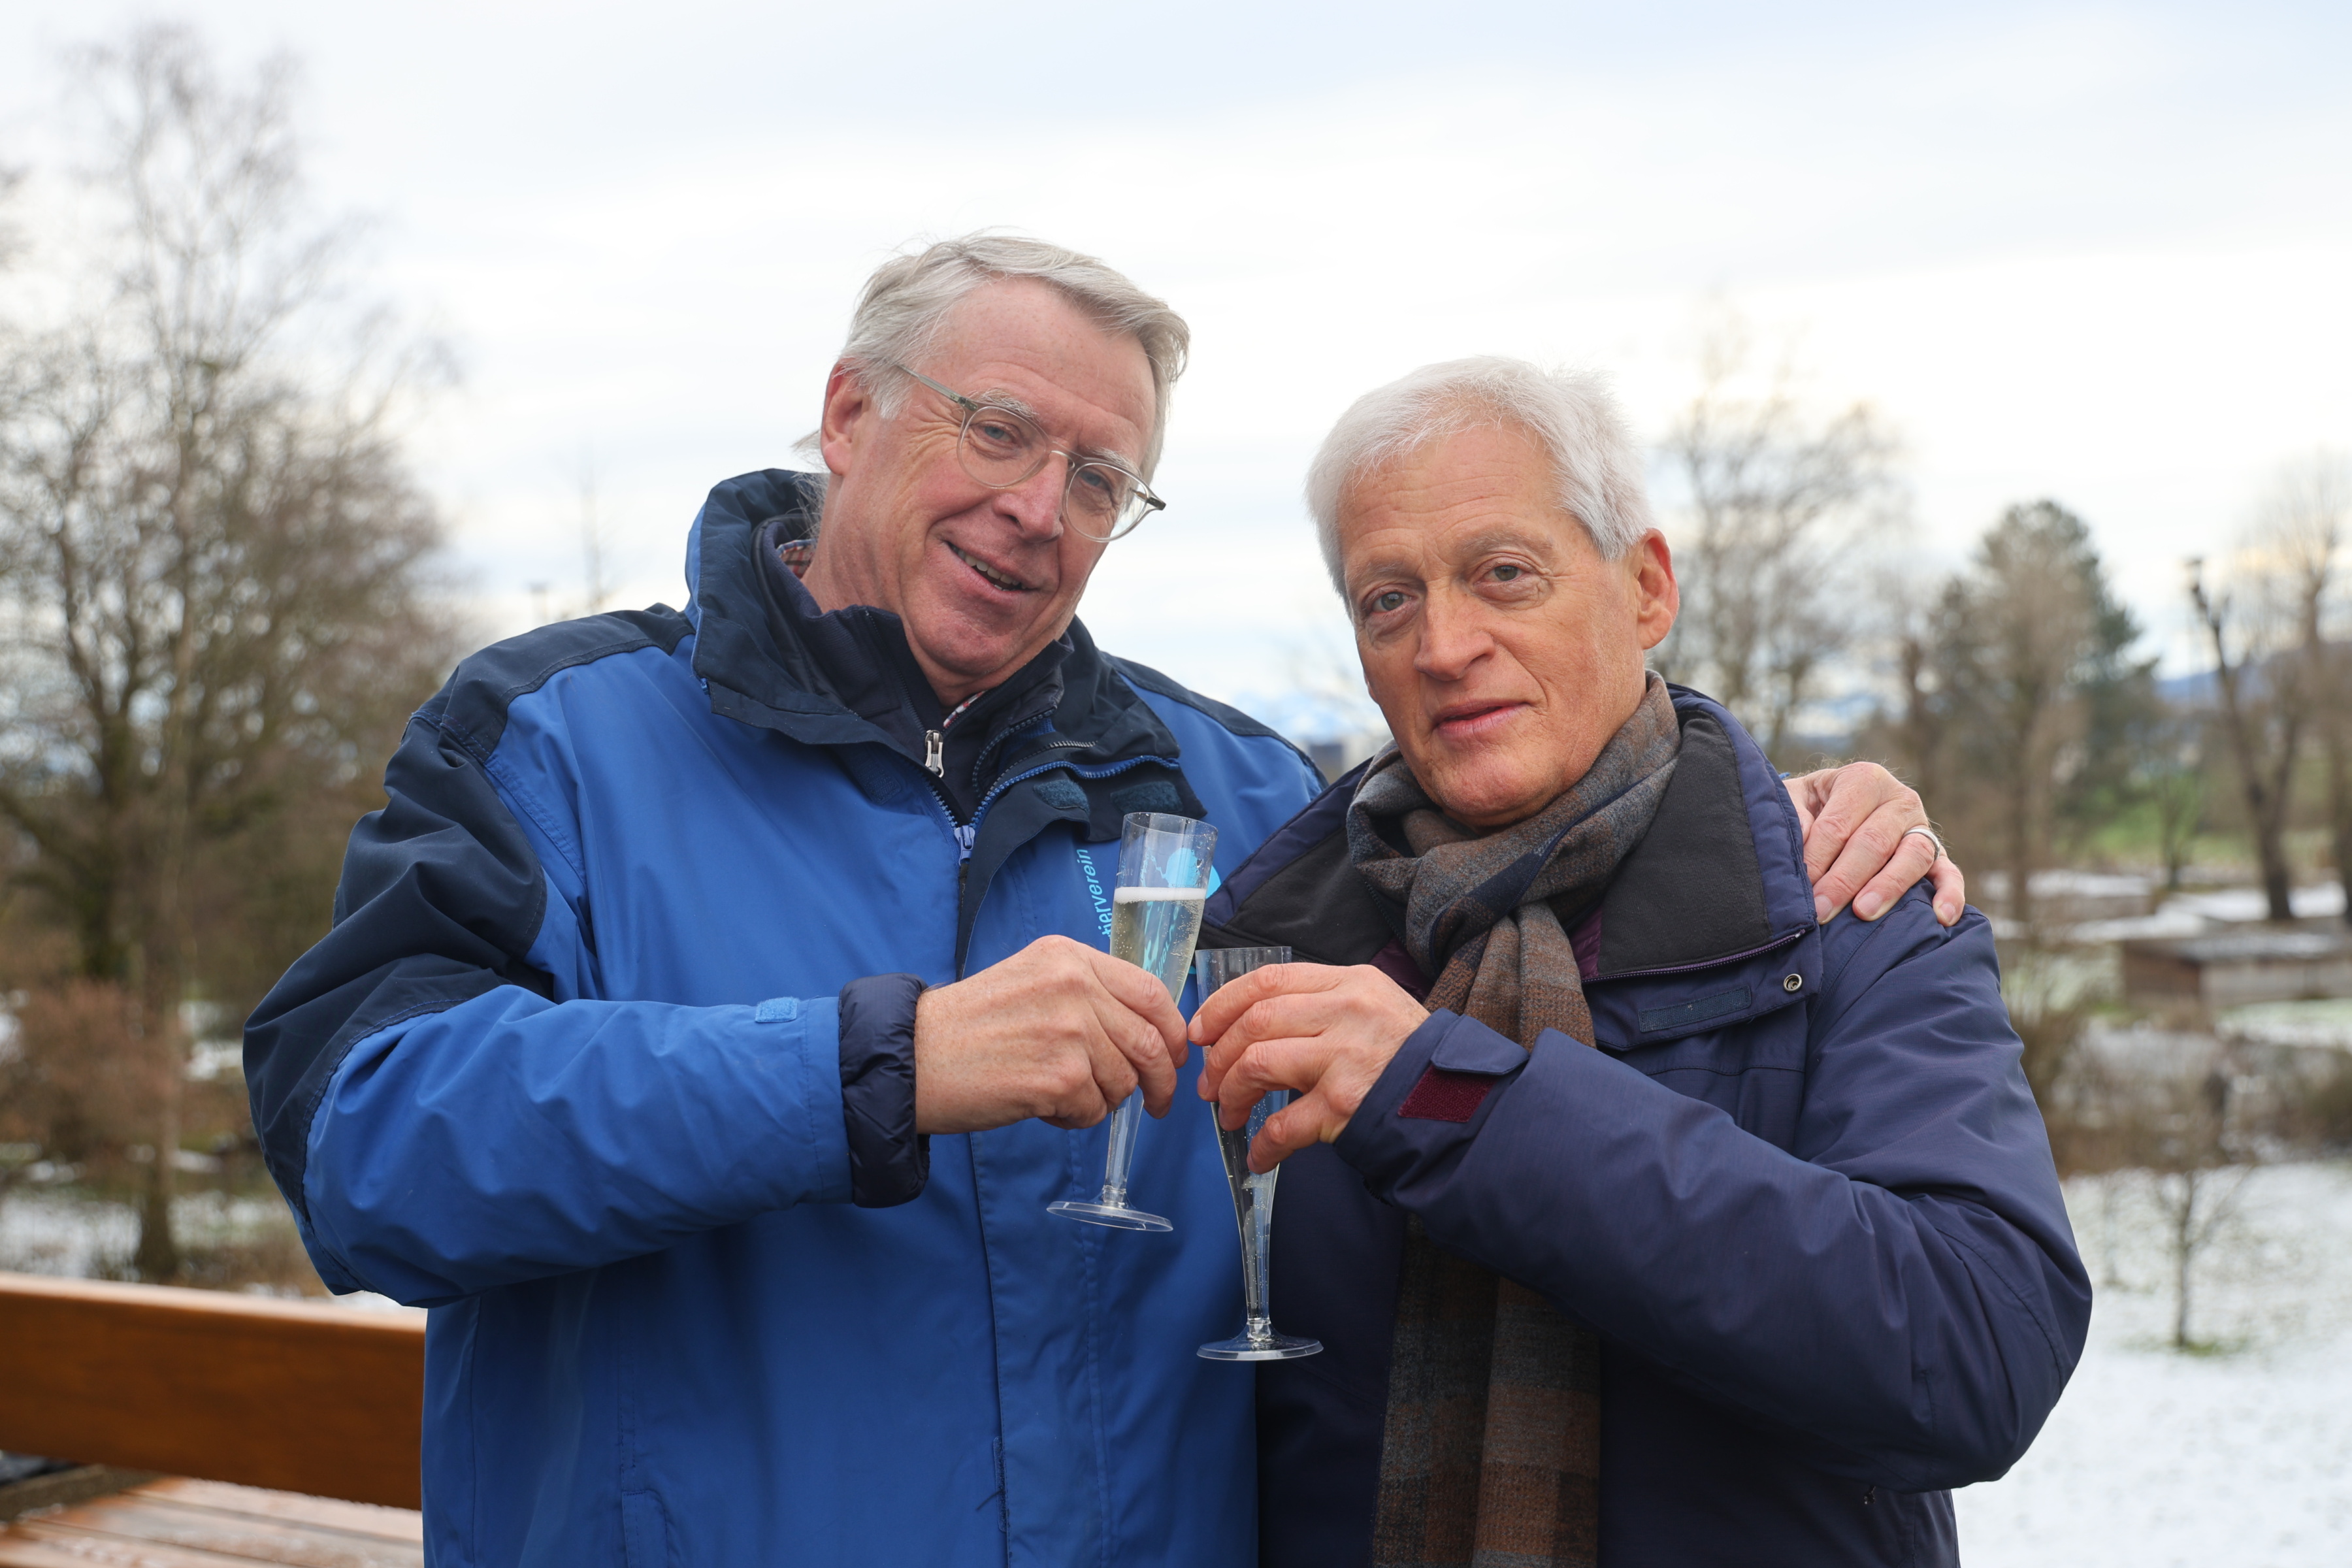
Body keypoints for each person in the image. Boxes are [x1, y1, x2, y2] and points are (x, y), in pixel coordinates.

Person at [244, 240, 1957, 1567]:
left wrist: (1791, 804)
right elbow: (362, 1146)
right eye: (998, 430)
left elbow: (1541, 824)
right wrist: (880, 1066)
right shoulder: (558, 738)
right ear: (848, 415)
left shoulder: (1243, 795)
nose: (1036, 509)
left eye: (1097, 479)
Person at [1190, 357, 2089, 1568]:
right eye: (1388, 600)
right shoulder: (1271, 947)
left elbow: (1977, 1354)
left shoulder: (1849, 903)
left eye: (1503, 574)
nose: (1444, 645)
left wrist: (1450, 1100)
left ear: (1646, 587)